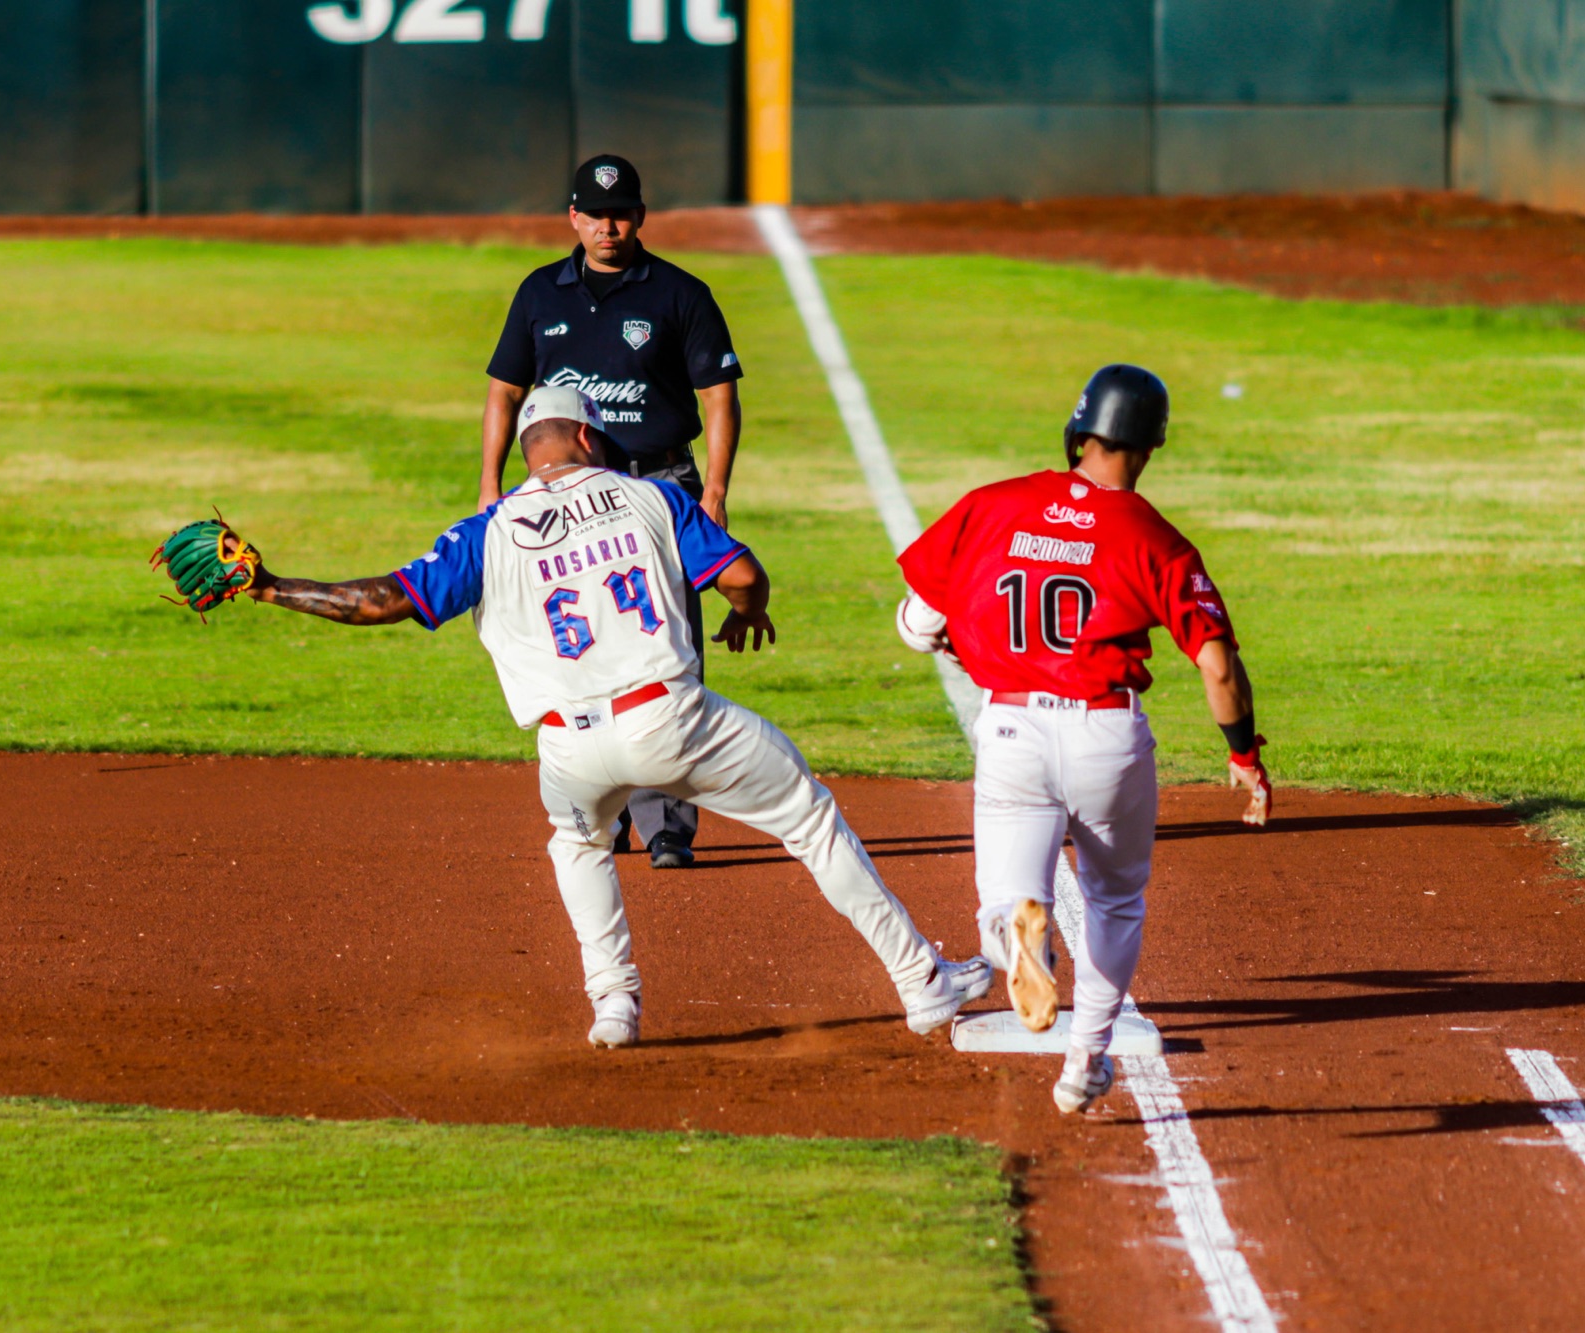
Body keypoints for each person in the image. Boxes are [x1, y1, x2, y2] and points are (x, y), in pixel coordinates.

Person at [247, 386, 990, 1049]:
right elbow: (742, 576)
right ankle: (921, 980)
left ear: (531, 448)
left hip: (568, 747)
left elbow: (383, 601)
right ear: (586, 438)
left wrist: (274, 588)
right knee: (809, 817)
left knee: (578, 842)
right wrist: (746, 613)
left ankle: (614, 1006)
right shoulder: (649, 496)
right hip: (674, 722)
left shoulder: (489, 530)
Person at [893, 365, 1272, 1115]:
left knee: (1002, 894)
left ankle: (1017, 929)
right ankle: (1083, 1062)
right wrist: (1243, 754)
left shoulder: (992, 505)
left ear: (1080, 429)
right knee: (1116, 900)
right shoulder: (1156, 537)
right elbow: (1219, 666)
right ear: (1151, 443)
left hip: (1011, 726)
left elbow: (916, 622)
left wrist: (957, 640)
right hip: (1106, 730)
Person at [478, 153, 741, 872]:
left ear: (641, 216)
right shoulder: (540, 294)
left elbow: (719, 396)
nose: (608, 225)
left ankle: (667, 826)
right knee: (586, 640)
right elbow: (504, 390)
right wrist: (488, 484)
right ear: (572, 218)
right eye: (594, 214)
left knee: (664, 646)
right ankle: (603, 810)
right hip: (572, 499)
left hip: (658, 485)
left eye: (620, 212)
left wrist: (713, 489)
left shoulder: (681, 295)